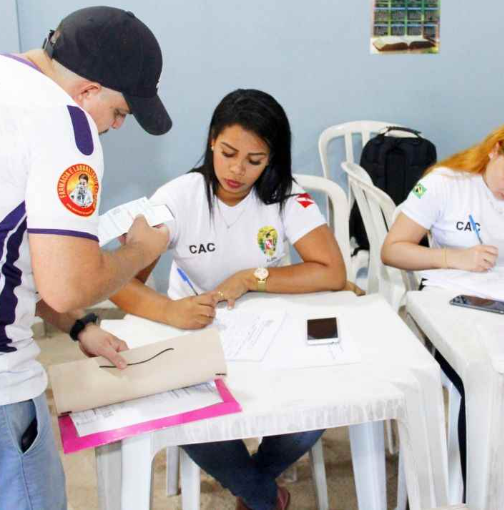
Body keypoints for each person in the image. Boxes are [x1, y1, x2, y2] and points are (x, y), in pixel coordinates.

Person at [111, 88, 354, 510]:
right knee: (184, 418)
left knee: (321, 407)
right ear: (211, 142)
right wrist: (169, 309)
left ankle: (251, 486)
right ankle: (264, 495)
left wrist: (250, 278)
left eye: (255, 161)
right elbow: (117, 283)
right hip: (197, 333)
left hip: (272, 333)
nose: (237, 170)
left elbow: (332, 271)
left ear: (272, 160)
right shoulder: (179, 197)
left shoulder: (286, 195)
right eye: (228, 153)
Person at [0, 6, 172, 510]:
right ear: (89, 90)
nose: (115, 127)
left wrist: (78, 327)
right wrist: (139, 250)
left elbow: (20, 257)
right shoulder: (64, 122)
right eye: (120, 112)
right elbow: (68, 283)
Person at [381, 116, 504, 494]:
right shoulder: (446, 184)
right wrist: (452, 258)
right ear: (495, 150)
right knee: (479, 382)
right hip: (452, 308)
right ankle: (472, 491)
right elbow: (392, 250)